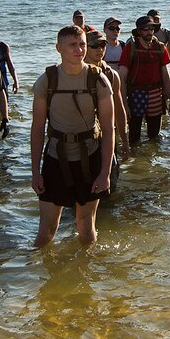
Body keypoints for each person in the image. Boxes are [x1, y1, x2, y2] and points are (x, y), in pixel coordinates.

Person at [30, 26, 115, 246]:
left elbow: (108, 129)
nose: (79, 50)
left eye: (82, 44)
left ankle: (85, 273)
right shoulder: (46, 81)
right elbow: (37, 128)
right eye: (72, 45)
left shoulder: (99, 80)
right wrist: (35, 172)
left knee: (86, 228)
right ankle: (40, 276)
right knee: (46, 232)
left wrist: (105, 173)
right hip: (55, 158)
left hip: (89, 157)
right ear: (59, 48)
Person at [118, 16, 170, 147]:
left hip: (155, 93)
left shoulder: (160, 48)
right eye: (146, 29)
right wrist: (124, 104)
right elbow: (121, 78)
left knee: (154, 136)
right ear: (139, 31)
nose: (149, 32)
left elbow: (166, 76)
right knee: (134, 136)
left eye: (151, 29)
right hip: (136, 94)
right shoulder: (130, 48)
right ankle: (134, 161)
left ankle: (151, 160)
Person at [83, 30, 129, 191]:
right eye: (94, 46)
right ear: (85, 48)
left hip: (107, 136)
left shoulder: (111, 74)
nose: (99, 49)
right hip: (84, 137)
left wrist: (124, 139)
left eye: (103, 45)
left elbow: (119, 109)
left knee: (110, 182)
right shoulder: (77, 74)